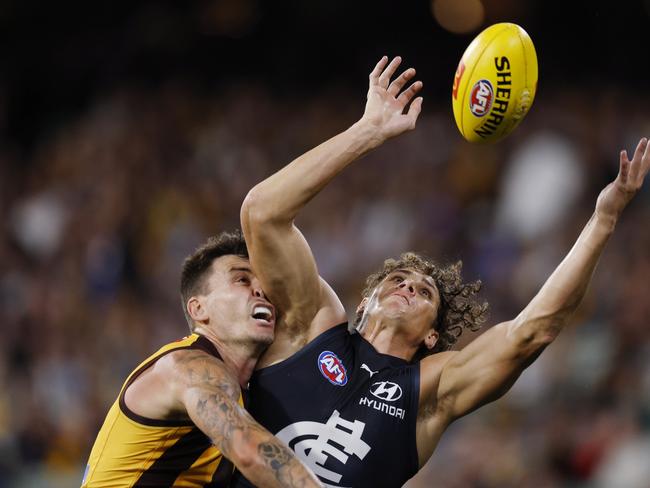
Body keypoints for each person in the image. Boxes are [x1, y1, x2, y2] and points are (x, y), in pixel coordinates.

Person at [232, 56, 650, 487]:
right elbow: (263, 214)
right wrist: (367, 131)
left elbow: (532, 332)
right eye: (397, 281)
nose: (408, 288)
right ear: (363, 302)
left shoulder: (429, 392)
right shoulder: (311, 326)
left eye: (424, 293)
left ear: (432, 335)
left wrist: (603, 221)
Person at [81, 231, 322, 487]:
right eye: (242, 279)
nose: (261, 290)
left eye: (264, 284)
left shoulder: (244, 393)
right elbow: (249, 452)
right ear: (199, 309)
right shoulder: (188, 367)